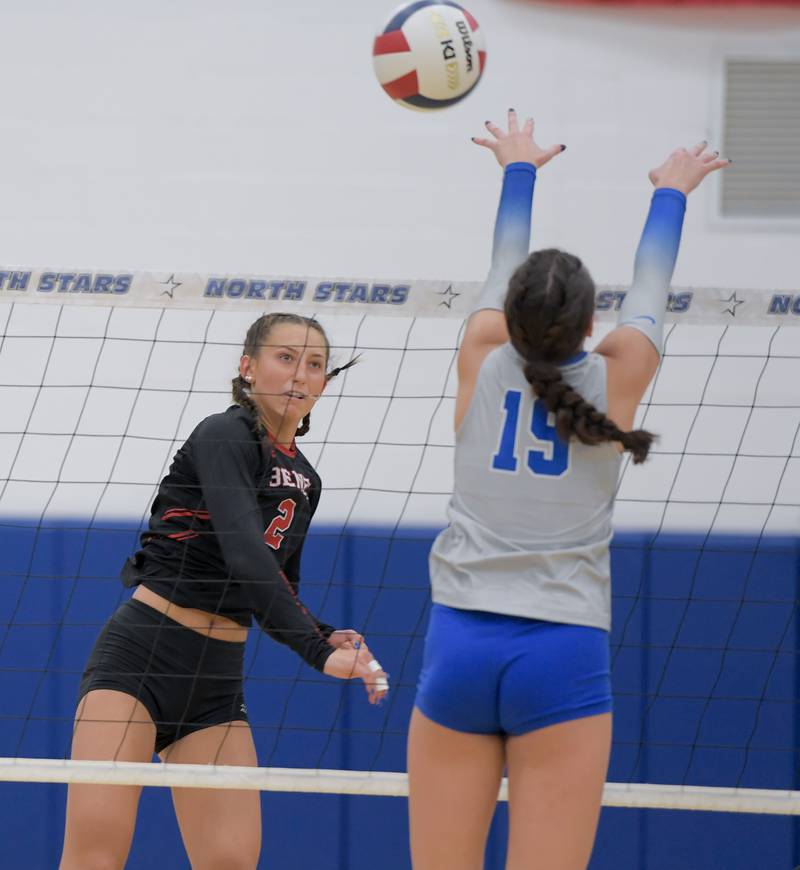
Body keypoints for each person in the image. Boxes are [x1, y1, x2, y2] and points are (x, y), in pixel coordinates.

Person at [407, 110, 729, 870]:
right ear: (591, 323)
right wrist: (671, 190)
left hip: (461, 643)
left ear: (508, 317)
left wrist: (519, 170)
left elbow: (502, 262)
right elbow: (653, 283)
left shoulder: (482, 356)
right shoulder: (619, 374)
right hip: (562, 651)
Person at [60, 312, 388, 870]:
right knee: (96, 853)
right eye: (285, 358)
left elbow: (276, 585)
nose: (299, 375)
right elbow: (244, 552)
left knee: (231, 861)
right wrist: (316, 651)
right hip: (141, 659)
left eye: (314, 365)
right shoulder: (225, 433)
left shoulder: (306, 481)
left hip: (215, 682)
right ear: (247, 367)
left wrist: (327, 634)